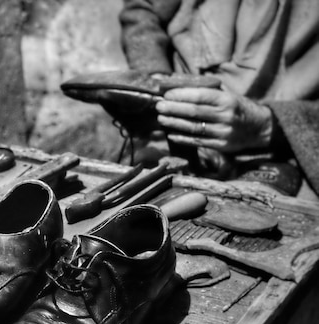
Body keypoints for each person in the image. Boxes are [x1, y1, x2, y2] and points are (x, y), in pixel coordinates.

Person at [118, 0, 319, 199]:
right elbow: (142, 9)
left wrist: (269, 125)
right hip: (168, 137)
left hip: (290, 151)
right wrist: (154, 75)